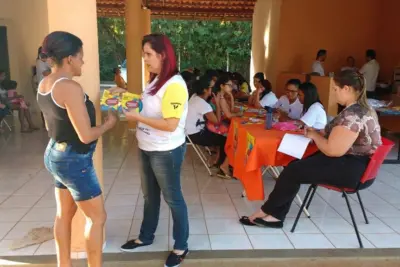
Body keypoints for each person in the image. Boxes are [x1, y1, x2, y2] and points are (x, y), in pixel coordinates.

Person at [239, 69, 382, 228]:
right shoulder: (363, 109)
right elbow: (341, 138)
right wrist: (320, 133)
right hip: (356, 165)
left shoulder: (353, 115)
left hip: (351, 169)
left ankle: (270, 213)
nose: (333, 93)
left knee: (293, 170)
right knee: (294, 166)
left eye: (335, 89)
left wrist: (314, 135)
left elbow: (333, 150)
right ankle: (273, 214)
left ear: (346, 88)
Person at [37, 31, 117, 267]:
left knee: (65, 214)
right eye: (81, 57)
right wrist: (108, 125)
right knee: (98, 217)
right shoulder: (69, 87)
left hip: (55, 153)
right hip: (73, 160)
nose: (83, 62)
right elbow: (85, 135)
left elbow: (50, 124)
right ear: (70, 58)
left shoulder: (45, 83)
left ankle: (65, 265)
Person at [120, 34, 189, 267]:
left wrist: (136, 116)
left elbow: (170, 124)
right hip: (146, 146)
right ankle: (145, 237)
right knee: (150, 196)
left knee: (173, 198)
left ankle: (181, 246)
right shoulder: (156, 79)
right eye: (144, 54)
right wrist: (127, 100)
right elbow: (149, 107)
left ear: (162, 55)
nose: (145, 59)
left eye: (148, 54)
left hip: (165, 151)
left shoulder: (175, 85)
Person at [186, 75, 231, 178]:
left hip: (189, 132)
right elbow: (217, 121)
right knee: (225, 139)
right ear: (205, 90)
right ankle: (223, 168)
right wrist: (219, 105)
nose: (212, 89)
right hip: (196, 135)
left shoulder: (194, 97)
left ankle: (219, 162)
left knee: (221, 135)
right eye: (211, 87)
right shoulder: (202, 104)